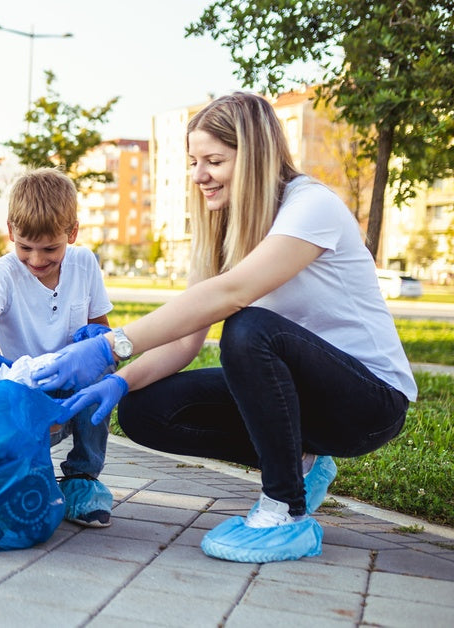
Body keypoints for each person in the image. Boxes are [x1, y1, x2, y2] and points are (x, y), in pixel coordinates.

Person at [34, 92, 415, 563]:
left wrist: (112, 345)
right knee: (145, 410)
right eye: (194, 161)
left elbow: (230, 295)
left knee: (248, 328)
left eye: (214, 160)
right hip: (300, 396)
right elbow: (185, 339)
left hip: (367, 401)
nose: (198, 176)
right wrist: (119, 379)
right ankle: (300, 465)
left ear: (255, 156)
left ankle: (285, 511)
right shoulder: (222, 225)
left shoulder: (311, 205)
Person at [0, 168, 116, 528]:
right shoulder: (3, 272)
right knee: (17, 478)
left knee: (101, 369)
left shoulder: (84, 264)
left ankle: (82, 478)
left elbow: (102, 332)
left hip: (71, 385)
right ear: (10, 232)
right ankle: (31, 474)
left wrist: (95, 343)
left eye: (50, 248)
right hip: (20, 389)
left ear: (72, 232)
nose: (36, 260)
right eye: (25, 248)